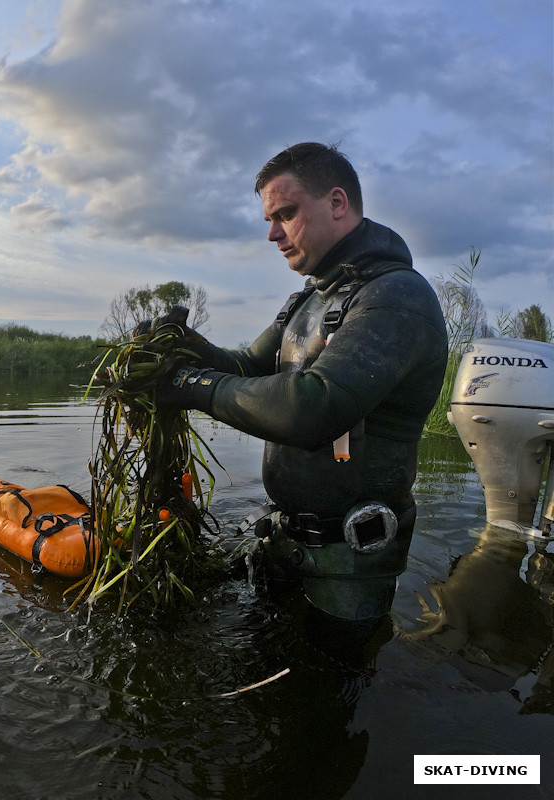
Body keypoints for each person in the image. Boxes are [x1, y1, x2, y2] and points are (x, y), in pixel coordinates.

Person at [156, 142, 448, 622]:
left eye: (285, 214)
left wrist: (190, 384)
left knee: (332, 683)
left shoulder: (398, 297)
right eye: (269, 219)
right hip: (285, 542)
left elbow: (314, 407)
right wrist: (188, 347)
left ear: (337, 203)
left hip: (349, 567)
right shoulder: (306, 300)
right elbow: (249, 366)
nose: (272, 234)